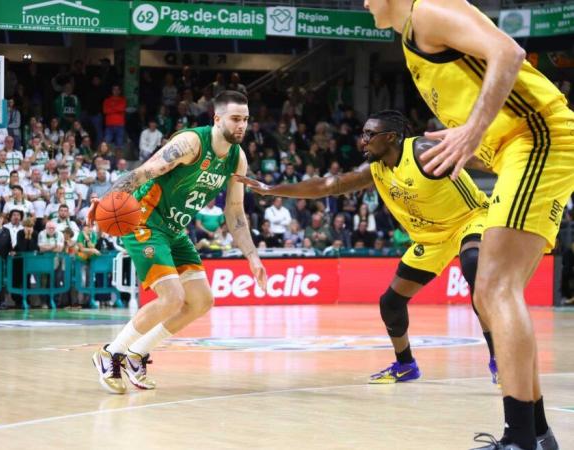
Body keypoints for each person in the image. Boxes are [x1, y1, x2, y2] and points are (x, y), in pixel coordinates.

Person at [364, 1, 572, 448]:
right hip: (519, 147)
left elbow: (509, 52)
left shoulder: (428, 11)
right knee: (494, 290)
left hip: (538, 137)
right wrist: (475, 144)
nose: (361, 2)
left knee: (495, 288)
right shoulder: (409, 40)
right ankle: (536, 434)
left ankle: (520, 438)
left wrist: (474, 129)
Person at [236, 111, 499, 386]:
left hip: (470, 220)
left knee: (473, 264)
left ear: (391, 137)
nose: (363, 141)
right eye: (363, 134)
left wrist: (519, 170)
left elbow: (479, 160)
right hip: (430, 237)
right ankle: (405, 364)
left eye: (370, 135)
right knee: (391, 303)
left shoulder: (422, 151)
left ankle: (499, 360)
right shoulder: (376, 169)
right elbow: (330, 185)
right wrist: (271, 189)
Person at [88, 90, 266, 394]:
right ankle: (109, 353)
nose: (242, 125)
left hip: (175, 229)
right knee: (172, 296)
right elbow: (144, 171)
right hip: (145, 219)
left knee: (201, 300)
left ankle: (137, 353)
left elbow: (235, 211)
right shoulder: (191, 143)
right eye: (236, 119)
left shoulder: (238, 159)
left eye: (246, 120)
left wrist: (252, 256)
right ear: (218, 118)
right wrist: (107, 200)